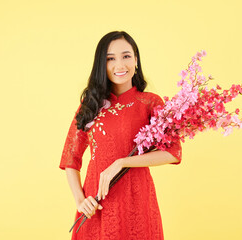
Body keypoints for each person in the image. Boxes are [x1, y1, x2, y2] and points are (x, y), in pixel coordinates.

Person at [59, 31, 182, 240]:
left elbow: (173, 152)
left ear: (136, 59)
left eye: (126, 56)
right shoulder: (90, 106)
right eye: (110, 59)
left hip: (137, 199)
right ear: (102, 64)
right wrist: (80, 200)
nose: (120, 65)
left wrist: (122, 162)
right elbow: (71, 159)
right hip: (97, 204)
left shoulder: (150, 103)